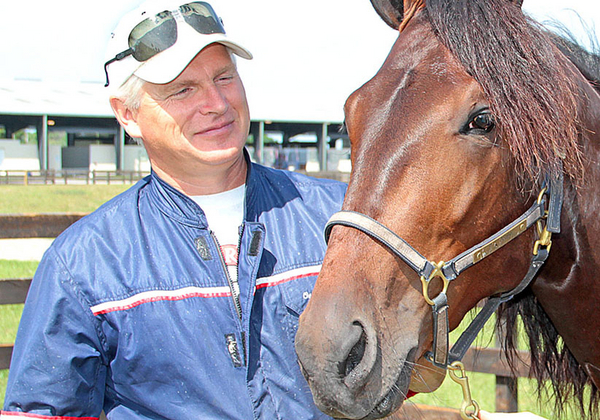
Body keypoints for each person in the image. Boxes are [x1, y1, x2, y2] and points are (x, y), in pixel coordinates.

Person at [1, 1, 345, 419]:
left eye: (224, 77)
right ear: (127, 114)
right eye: (183, 89)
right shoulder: (84, 264)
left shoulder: (337, 218)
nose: (217, 103)